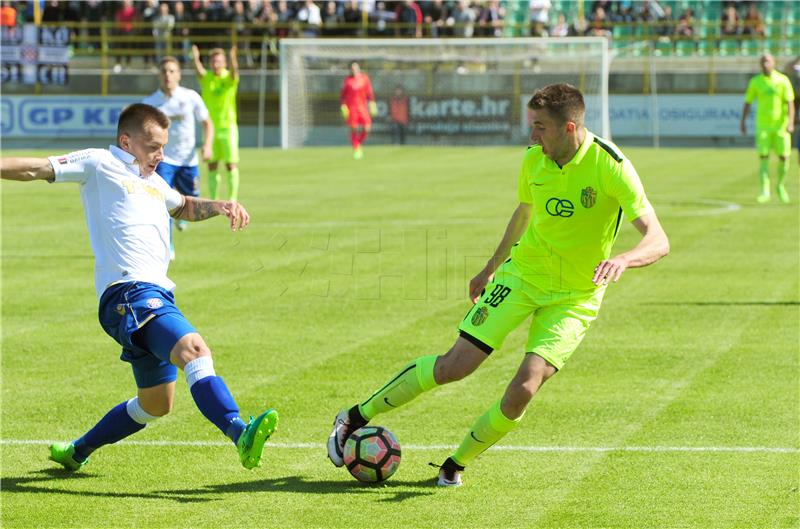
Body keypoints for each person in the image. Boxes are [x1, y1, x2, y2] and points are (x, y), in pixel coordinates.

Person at [326, 83, 669, 487]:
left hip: (575, 297)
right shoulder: (534, 160)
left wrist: (624, 259)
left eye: (540, 127)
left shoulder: (611, 165)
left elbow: (658, 239)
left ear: (570, 128)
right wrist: (491, 266)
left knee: (525, 387)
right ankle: (355, 416)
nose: (532, 136)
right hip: (521, 276)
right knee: (454, 367)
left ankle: (455, 463)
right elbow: (523, 214)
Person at [0, 103, 278, 472]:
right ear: (126, 141)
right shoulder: (100, 163)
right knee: (195, 350)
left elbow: (184, 207)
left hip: (154, 295)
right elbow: (37, 167)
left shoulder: (154, 181)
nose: (160, 154)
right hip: (128, 293)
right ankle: (239, 431)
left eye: (162, 146)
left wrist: (221, 205)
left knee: (155, 404)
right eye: (152, 146)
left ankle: (77, 451)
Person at [143, 56, 214, 258]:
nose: (168, 75)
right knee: (162, 203)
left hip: (188, 160)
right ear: (159, 74)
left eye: (172, 71)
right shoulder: (150, 103)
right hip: (163, 161)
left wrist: (207, 146)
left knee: (193, 196)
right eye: (164, 71)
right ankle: (168, 246)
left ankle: (182, 215)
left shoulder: (190, 97)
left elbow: (207, 123)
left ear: (179, 74)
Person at [741, 53, 796, 203]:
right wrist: (743, 121)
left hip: (781, 126)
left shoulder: (783, 80)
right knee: (763, 158)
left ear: (774, 62)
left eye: (768, 61)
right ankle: (765, 190)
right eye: (763, 61)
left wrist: (791, 123)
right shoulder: (756, 82)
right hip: (763, 126)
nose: (765, 64)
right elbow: (748, 102)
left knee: (784, 157)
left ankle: (780, 186)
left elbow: (790, 103)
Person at [192, 44, 241, 201]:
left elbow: (235, 74)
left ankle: (232, 199)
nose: (215, 64)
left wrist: (234, 59)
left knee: (230, 165)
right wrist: (195, 59)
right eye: (213, 61)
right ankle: (214, 200)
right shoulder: (207, 79)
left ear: (224, 63)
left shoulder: (228, 78)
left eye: (219, 61)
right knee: (211, 165)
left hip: (228, 129)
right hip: (211, 130)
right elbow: (199, 71)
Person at [340, 61, 376, 159]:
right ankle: (356, 149)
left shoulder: (364, 79)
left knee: (367, 128)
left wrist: (372, 103)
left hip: (362, 107)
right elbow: (342, 95)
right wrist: (343, 106)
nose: (354, 70)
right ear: (350, 70)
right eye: (352, 68)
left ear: (359, 68)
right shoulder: (347, 81)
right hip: (352, 108)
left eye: (356, 68)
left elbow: (369, 93)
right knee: (354, 129)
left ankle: (357, 144)